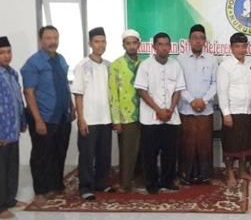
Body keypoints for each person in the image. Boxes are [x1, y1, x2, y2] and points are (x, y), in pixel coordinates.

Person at [21, 25, 75, 207]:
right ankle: (41, 191)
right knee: (41, 155)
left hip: (62, 115)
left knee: (59, 151)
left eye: (55, 38)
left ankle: (56, 185)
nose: (53, 42)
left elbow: (65, 85)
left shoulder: (60, 59)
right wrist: (37, 120)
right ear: (40, 40)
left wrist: (72, 106)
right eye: (48, 38)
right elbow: (29, 92)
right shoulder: (33, 63)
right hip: (43, 116)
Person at [134, 32, 186, 194]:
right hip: (150, 117)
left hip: (171, 116)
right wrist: (158, 110)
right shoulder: (145, 66)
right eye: (161, 44)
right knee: (150, 152)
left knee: (170, 152)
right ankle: (152, 182)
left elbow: (178, 90)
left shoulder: (175, 65)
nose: (164, 48)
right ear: (154, 47)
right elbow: (142, 91)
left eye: (167, 44)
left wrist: (170, 110)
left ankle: (168, 180)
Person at [0, 36, 28, 219]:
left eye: (8, 51)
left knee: (12, 167)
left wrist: (22, 121)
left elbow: (18, 99)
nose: (6, 56)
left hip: (13, 128)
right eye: (1, 53)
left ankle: (10, 199)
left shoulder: (12, 73)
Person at [72, 27, 114, 200]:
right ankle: (86, 187)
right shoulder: (82, 66)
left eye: (103, 41)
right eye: (97, 42)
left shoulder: (109, 66)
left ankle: (101, 183)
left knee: (104, 154)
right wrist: (81, 119)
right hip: (89, 118)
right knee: (87, 155)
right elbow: (78, 94)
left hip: (106, 118)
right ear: (90, 43)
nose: (100, 45)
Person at [177, 24, 218, 184]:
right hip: (186, 109)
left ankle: (205, 175)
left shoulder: (212, 59)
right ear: (189, 40)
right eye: (195, 38)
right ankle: (186, 174)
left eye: (201, 38)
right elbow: (179, 84)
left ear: (205, 41)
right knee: (187, 144)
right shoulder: (180, 59)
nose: (197, 41)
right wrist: (191, 100)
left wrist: (204, 100)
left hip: (205, 110)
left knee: (204, 144)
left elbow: (215, 83)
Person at [217, 32, 251, 188]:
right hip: (232, 112)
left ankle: (241, 172)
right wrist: (226, 113)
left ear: (247, 47)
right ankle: (230, 175)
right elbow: (222, 92)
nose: (240, 50)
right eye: (237, 46)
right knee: (231, 146)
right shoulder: (225, 66)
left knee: (245, 146)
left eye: (243, 46)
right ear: (231, 48)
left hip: (248, 111)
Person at [109, 29, 142, 193]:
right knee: (127, 151)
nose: (131, 46)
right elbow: (113, 93)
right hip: (125, 115)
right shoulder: (116, 65)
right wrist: (116, 120)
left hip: (144, 114)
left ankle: (139, 178)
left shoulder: (143, 64)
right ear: (123, 45)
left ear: (139, 44)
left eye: (134, 43)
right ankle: (125, 183)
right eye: (128, 43)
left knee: (141, 149)